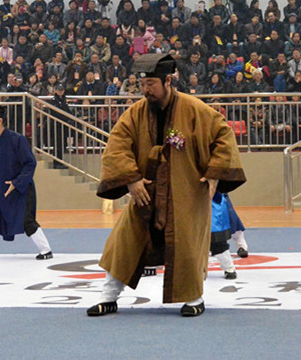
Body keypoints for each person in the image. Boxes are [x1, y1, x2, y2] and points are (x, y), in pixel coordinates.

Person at [86, 54, 246, 318]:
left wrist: (214, 174)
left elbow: (223, 134)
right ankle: (108, 297)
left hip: (186, 193)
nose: (145, 90)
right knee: (123, 243)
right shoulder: (135, 113)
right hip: (144, 195)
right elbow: (117, 146)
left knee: (187, 247)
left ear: (168, 81)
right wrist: (132, 179)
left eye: (151, 83)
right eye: (142, 84)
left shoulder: (195, 109)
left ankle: (194, 298)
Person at [0, 104, 53, 260]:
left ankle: (46, 250)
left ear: (0, 121)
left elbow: (30, 164)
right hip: (0, 191)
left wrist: (17, 183)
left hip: (20, 189)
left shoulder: (17, 139)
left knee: (26, 220)